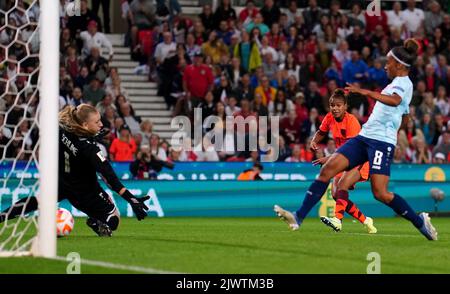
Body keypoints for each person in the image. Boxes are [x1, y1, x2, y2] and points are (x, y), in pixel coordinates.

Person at [274, 39, 438, 241]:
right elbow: (404, 114)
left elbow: (395, 101)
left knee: (380, 193)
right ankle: (298, 217)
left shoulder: (404, 84)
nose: (386, 66)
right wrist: (395, 125)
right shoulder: (394, 84)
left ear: (399, 65)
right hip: (365, 136)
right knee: (327, 171)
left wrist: (365, 93)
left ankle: (419, 221)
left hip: (380, 143)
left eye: (388, 62)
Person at [0, 104, 150, 237]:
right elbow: (108, 177)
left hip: (63, 183)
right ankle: (98, 223)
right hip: (86, 192)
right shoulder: (90, 148)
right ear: (84, 124)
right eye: (97, 122)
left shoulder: (64, 131)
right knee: (114, 217)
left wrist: (91, 137)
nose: (101, 124)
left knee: (37, 201)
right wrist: (131, 199)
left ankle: (3, 216)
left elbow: (73, 144)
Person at [309, 89, 377, 233]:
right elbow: (321, 132)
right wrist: (314, 141)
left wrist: (328, 159)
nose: (335, 108)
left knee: (341, 186)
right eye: (332, 105)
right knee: (335, 194)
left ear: (345, 106)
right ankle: (366, 220)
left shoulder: (352, 122)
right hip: (343, 160)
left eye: (339, 105)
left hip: (359, 159)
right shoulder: (329, 118)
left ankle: (337, 220)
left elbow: (352, 150)